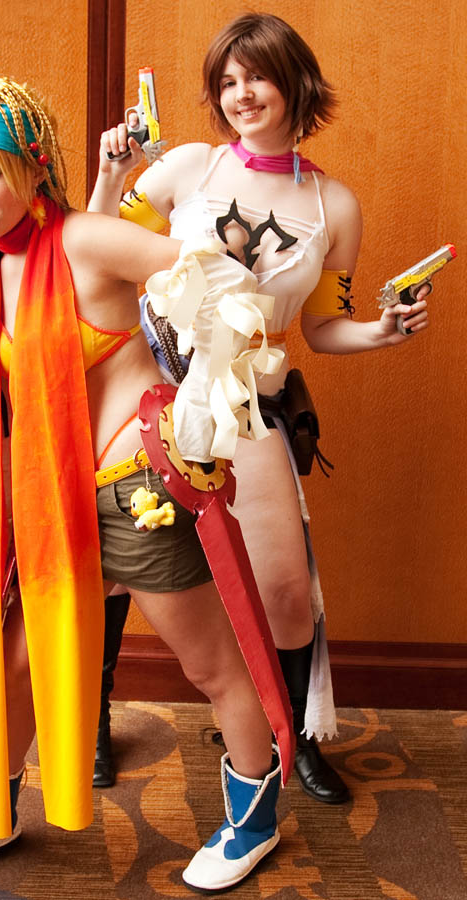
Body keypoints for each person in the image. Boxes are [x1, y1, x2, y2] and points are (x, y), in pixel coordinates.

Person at [0, 75, 293, 894]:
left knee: (210, 666)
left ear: (32, 167)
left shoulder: (88, 240)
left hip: (132, 491)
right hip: (45, 500)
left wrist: (201, 404)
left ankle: (254, 820)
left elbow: (225, 285)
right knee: (12, 665)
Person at [88, 12, 429, 804]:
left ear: (296, 83)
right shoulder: (187, 168)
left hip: (247, 405)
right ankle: (92, 721)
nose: (241, 94)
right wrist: (113, 172)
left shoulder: (334, 206)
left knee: (283, 588)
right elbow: (95, 250)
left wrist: (381, 332)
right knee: (114, 571)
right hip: (149, 392)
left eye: (258, 76)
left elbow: (323, 326)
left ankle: (291, 736)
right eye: (228, 81)